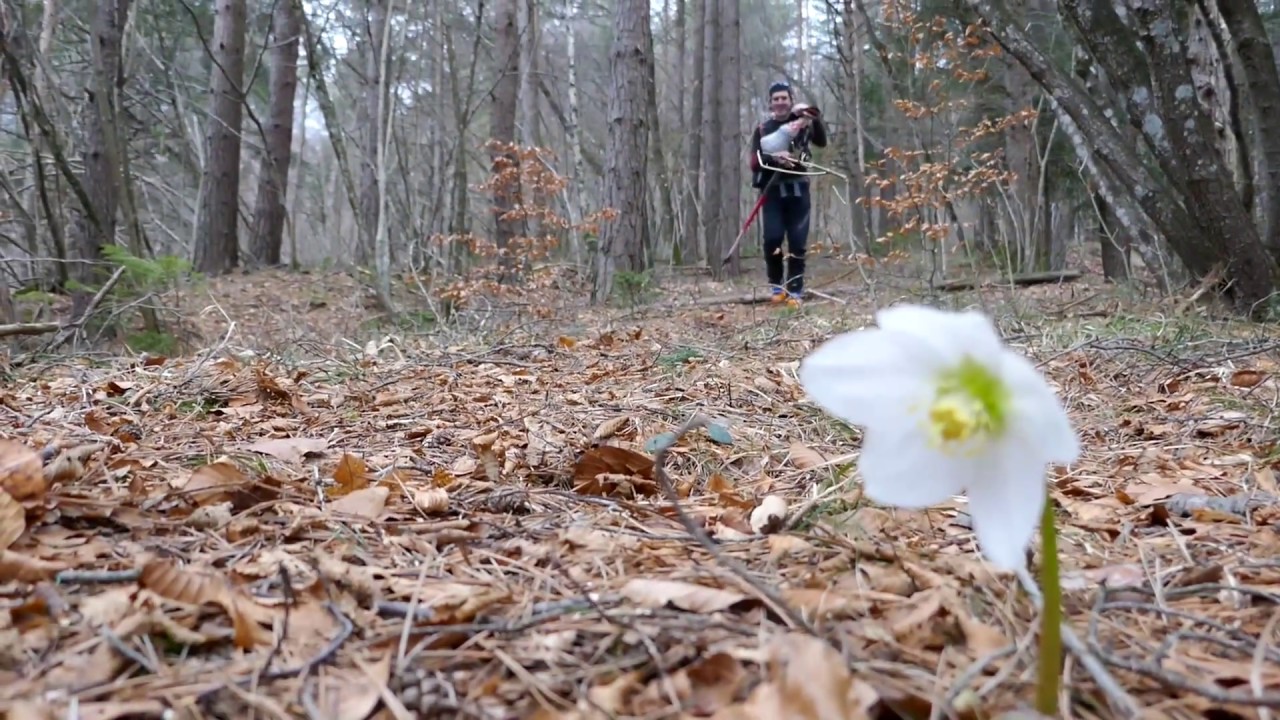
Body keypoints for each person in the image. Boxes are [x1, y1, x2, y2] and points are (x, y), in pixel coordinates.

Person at [748, 81, 828, 307]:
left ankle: (795, 289)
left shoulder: (801, 123)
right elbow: (754, 163)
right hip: (772, 192)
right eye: (776, 99)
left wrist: (814, 119)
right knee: (772, 238)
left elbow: (821, 142)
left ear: (791, 100)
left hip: (798, 189)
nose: (780, 102)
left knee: (797, 241)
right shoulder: (763, 129)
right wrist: (774, 158)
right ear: (771, 103)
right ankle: (776, 285)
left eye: (784, 98)